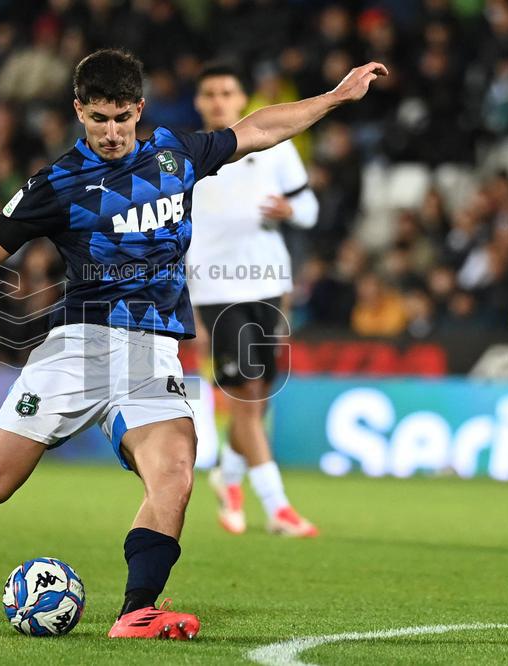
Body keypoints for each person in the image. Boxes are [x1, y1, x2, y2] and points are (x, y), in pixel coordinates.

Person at [0, 49, 385, 640]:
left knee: (176, 472)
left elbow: (259, 128)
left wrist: (336, 97)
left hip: (153, 353)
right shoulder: (56, 184)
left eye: (120, 118)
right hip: (80, 348)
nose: (110, 133)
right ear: (78, 111)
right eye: (98, 119)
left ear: (138, 109)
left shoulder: (175, 155)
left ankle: (138, 609)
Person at [187, 63, 320, 537]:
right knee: (244, 396)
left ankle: (228, 472)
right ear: (199, 103)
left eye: (227, 91)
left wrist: (291, 210)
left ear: (242, 99)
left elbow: (309, 207)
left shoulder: (276, 149)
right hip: (216, 291)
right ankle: (278, 506)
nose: (219, 100)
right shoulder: (188, 158)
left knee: (259, 397)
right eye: (210, 94)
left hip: (267, 283)